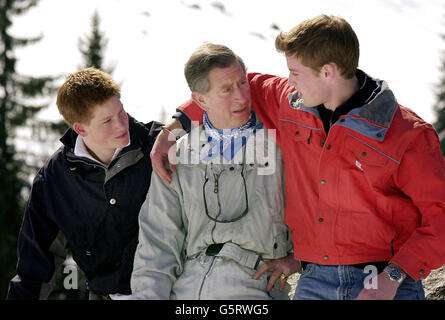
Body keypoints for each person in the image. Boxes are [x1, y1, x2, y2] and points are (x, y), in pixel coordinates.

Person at [151, 15, 445, 300]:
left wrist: (393, 278)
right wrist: (173, 128)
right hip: (315, 280)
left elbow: (440, 216)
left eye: (295, 72)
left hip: (384, 283)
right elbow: (234, 88)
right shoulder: (290, 102)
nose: (289, 80)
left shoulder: (407, 134)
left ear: (327, 72)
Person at [131, 44, 299, 300]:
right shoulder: (179, 155)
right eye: (227, 90)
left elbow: (323, 210)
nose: (242, 97)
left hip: (256, 289)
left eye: (243, 83)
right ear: (200, 100)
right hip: (187, 289)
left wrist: (298, 260)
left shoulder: (282, 145)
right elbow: (158, 244)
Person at [7, 67, 162, 300]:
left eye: (121, 113)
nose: (122, 125)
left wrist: (176, 126)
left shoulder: (157, 146)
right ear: (80, 128)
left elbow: (211, 115)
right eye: (107, 121)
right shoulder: (55, 180)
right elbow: (35, 264)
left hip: (172, 292)